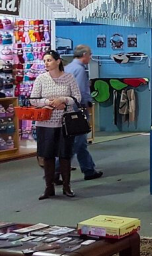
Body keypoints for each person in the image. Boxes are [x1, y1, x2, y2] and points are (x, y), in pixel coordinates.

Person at [30, 50, 81, 199]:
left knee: (65, 155)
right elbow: (33, 99)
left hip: (64, 123)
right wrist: (48, 102)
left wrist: (63, 100)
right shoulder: (40, 79)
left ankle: (67, 187)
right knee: (47, 156)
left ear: (58, 61)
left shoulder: (69, 78)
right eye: (45, 60)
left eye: (49, 60)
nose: (46, 63)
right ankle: (49, 188)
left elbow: (77, 97)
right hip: (45, 123)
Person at [64, 45, 103, 180]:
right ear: (84, 54)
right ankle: (56, 169)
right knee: (78, 141)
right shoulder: (80, 70)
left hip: (68, 108)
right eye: (90, 54)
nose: (91, 57)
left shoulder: (68, 67)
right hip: (77, 109)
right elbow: (80, 91)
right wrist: (87, 103)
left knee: (80, 142)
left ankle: (89, 169)